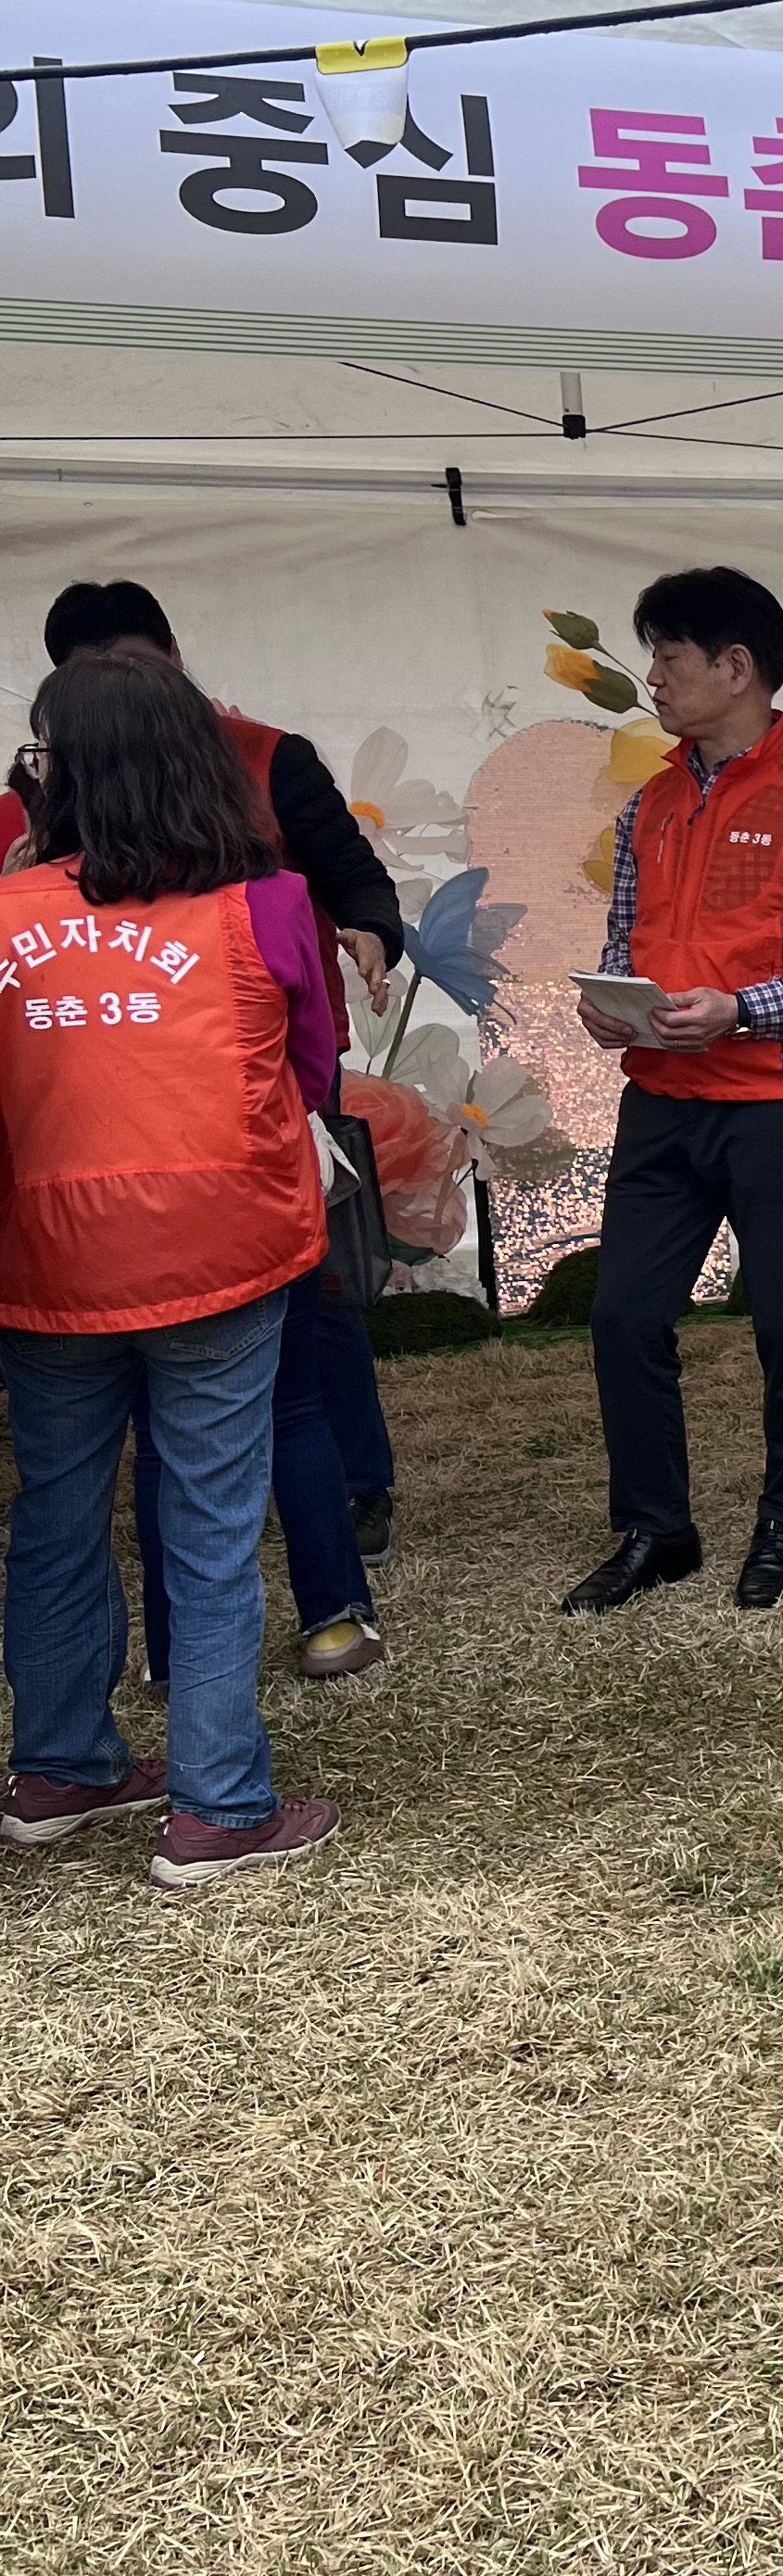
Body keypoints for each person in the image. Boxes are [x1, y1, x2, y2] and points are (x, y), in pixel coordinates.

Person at [0, 651, 340, 1886]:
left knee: (54, 1513)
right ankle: (220, 1807)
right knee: (204, 1525)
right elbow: (313, 1075)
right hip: (222, 1251)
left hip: (43, 1264)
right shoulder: (271, 903)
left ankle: (60, 1767)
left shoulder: (3, 913)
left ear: (64, 775)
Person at [22, 582, 407, 1571]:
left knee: (309, 1289)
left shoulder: (270, 757)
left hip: (262, 1063)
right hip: (117, 1079)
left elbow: (353, 875)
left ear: (175, 659)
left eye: (138, 669)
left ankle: (353, 1487)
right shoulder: (50, 774)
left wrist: (367, 930)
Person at [564, 566, 783, 1615]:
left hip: (779, 1105)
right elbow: (628, 940)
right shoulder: (651, 804)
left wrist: (741, 1010)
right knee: (623, 1317)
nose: (653, 677)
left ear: (736, 667)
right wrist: (609, 1001)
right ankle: (657, 1529)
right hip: (662, 1100)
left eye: (669, 655)